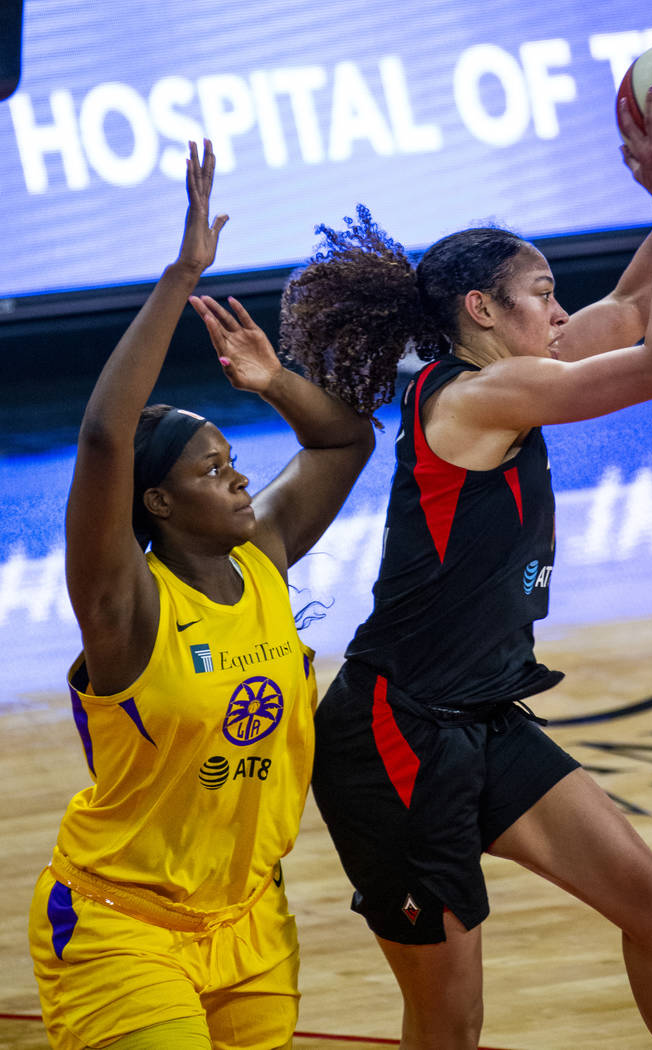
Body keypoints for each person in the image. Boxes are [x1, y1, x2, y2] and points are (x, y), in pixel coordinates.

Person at [281, 89, 652, 1048]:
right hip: (395, 733)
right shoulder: (482, 395)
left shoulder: (514, 374)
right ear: (481, 310)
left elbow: (637, 304)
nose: (564, 313)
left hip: (475, 713)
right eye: (543, 297)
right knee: (450, 1022)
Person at [28, 139, 374, 1050]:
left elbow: (343, 445)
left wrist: (271, 381)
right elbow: (105, 436)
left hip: (252, 922)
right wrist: (180, 280)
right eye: (211, 469)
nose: (238, 480)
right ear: (157, 502)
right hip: (121, 929)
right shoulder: (123, 605)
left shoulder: (264, 552)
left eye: (233, 463)